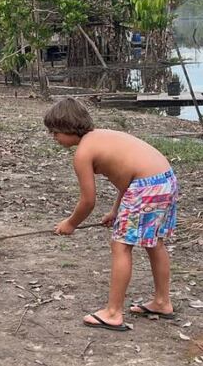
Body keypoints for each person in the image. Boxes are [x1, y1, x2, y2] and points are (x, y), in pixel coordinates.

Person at [45, 98, 179, 331]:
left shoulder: (83, 153)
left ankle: (113, 312)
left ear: (67, 128)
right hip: (164, 178)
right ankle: (162, 301)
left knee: (121, 245)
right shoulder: (101, 136)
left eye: (54, 132)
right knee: (154, 242)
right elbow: (126, 177)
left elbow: (88, 201)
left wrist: (70, 224)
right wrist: (116, 210)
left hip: (145, 187)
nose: (53, 137)